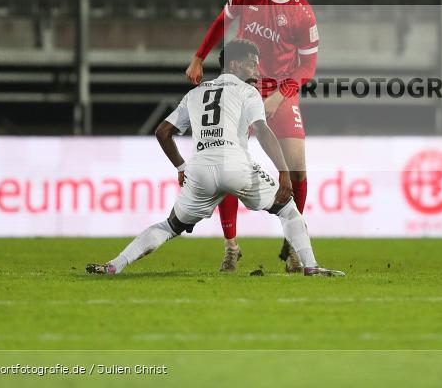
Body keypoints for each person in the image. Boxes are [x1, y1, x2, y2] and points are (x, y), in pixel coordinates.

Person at [86, 40, 344, 278]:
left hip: (199, 170)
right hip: (236, 166)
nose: (257, 67)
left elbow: (163, 132)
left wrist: (181, 166)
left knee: (170, 225)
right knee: (288, 210)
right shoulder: (248, 92)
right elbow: (263, 131)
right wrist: (284, 171)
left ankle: (115, 265)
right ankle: (310, 266)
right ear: (234, 64)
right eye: (252, 62)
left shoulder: (195, 94)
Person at [185, 0, 318, 273]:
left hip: (281, 93)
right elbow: (221, 22)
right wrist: (199, 57)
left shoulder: (303, 13)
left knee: (297, 170)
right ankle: (231, 247)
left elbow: (308, 66)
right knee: (226, 164)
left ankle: (291, 248)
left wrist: (281, 95)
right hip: (241, 86)